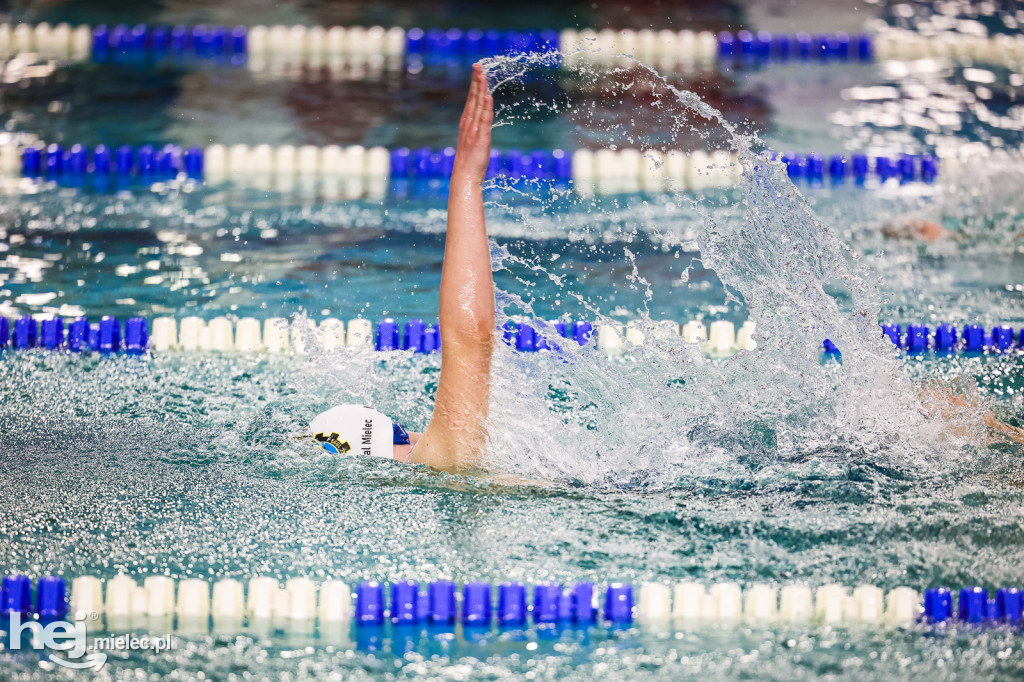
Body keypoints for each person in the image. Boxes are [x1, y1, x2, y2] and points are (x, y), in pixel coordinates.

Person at [309, 64, 495, 471]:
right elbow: (471, 336)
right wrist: (466, 178)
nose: (418, 432)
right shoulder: (442, 460)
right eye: (404, 434)